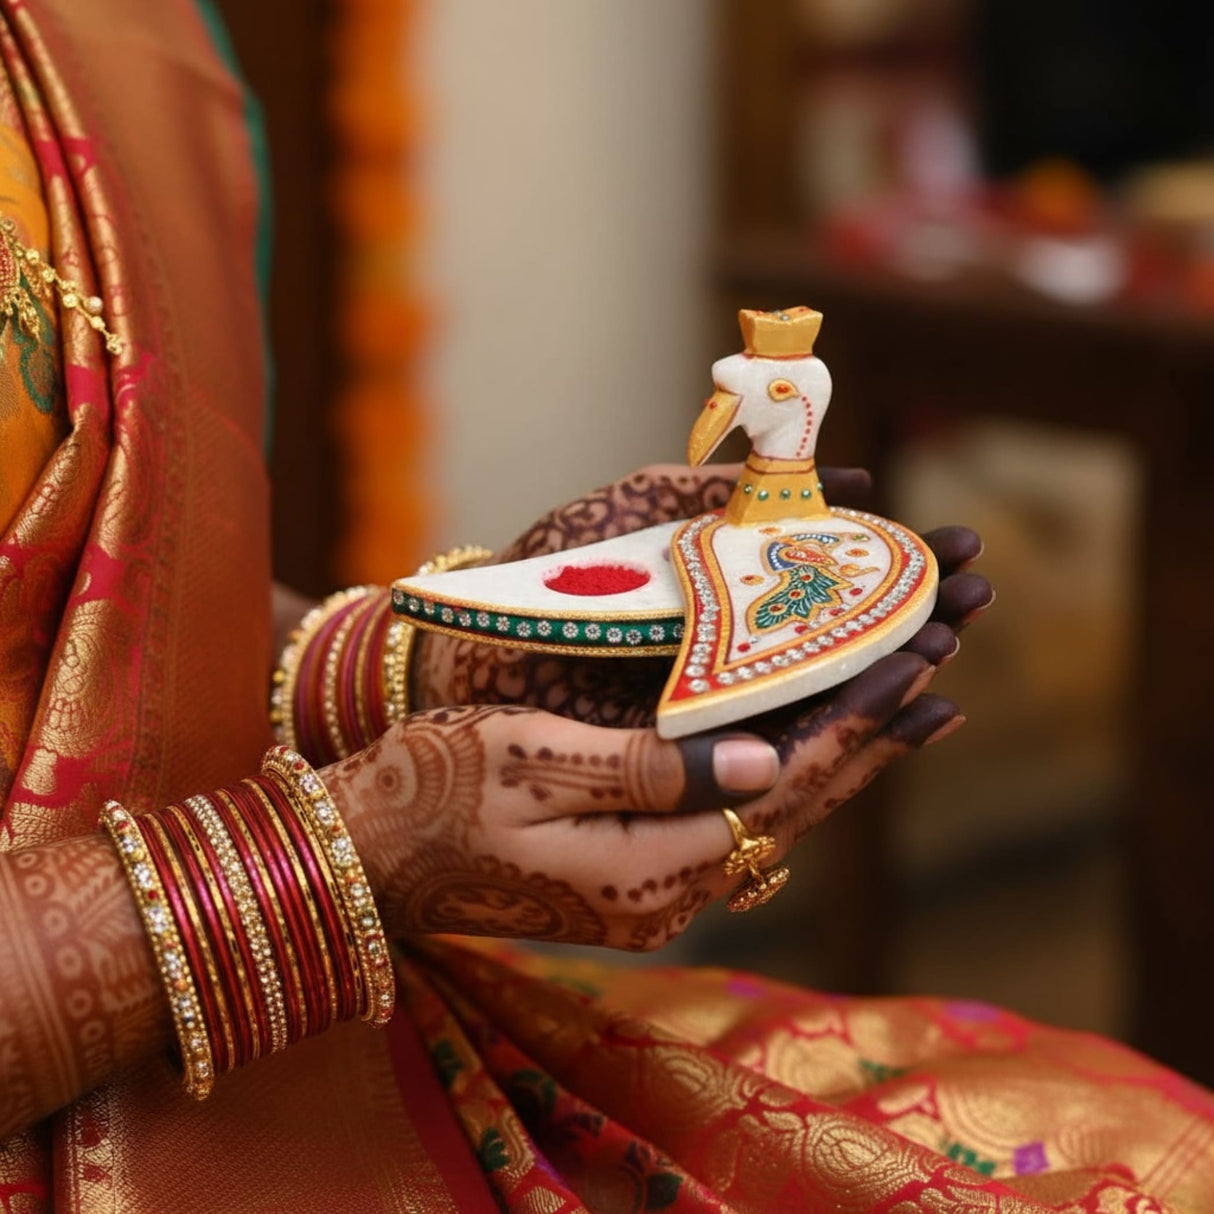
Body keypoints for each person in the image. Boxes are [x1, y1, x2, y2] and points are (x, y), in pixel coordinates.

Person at [0, 3, 1211, 1211]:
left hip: (290, 1018)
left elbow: (105, 608)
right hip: (131, 1062)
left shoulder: (107, 29)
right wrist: (333, 865)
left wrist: (430, 661)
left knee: (1155, 1144)